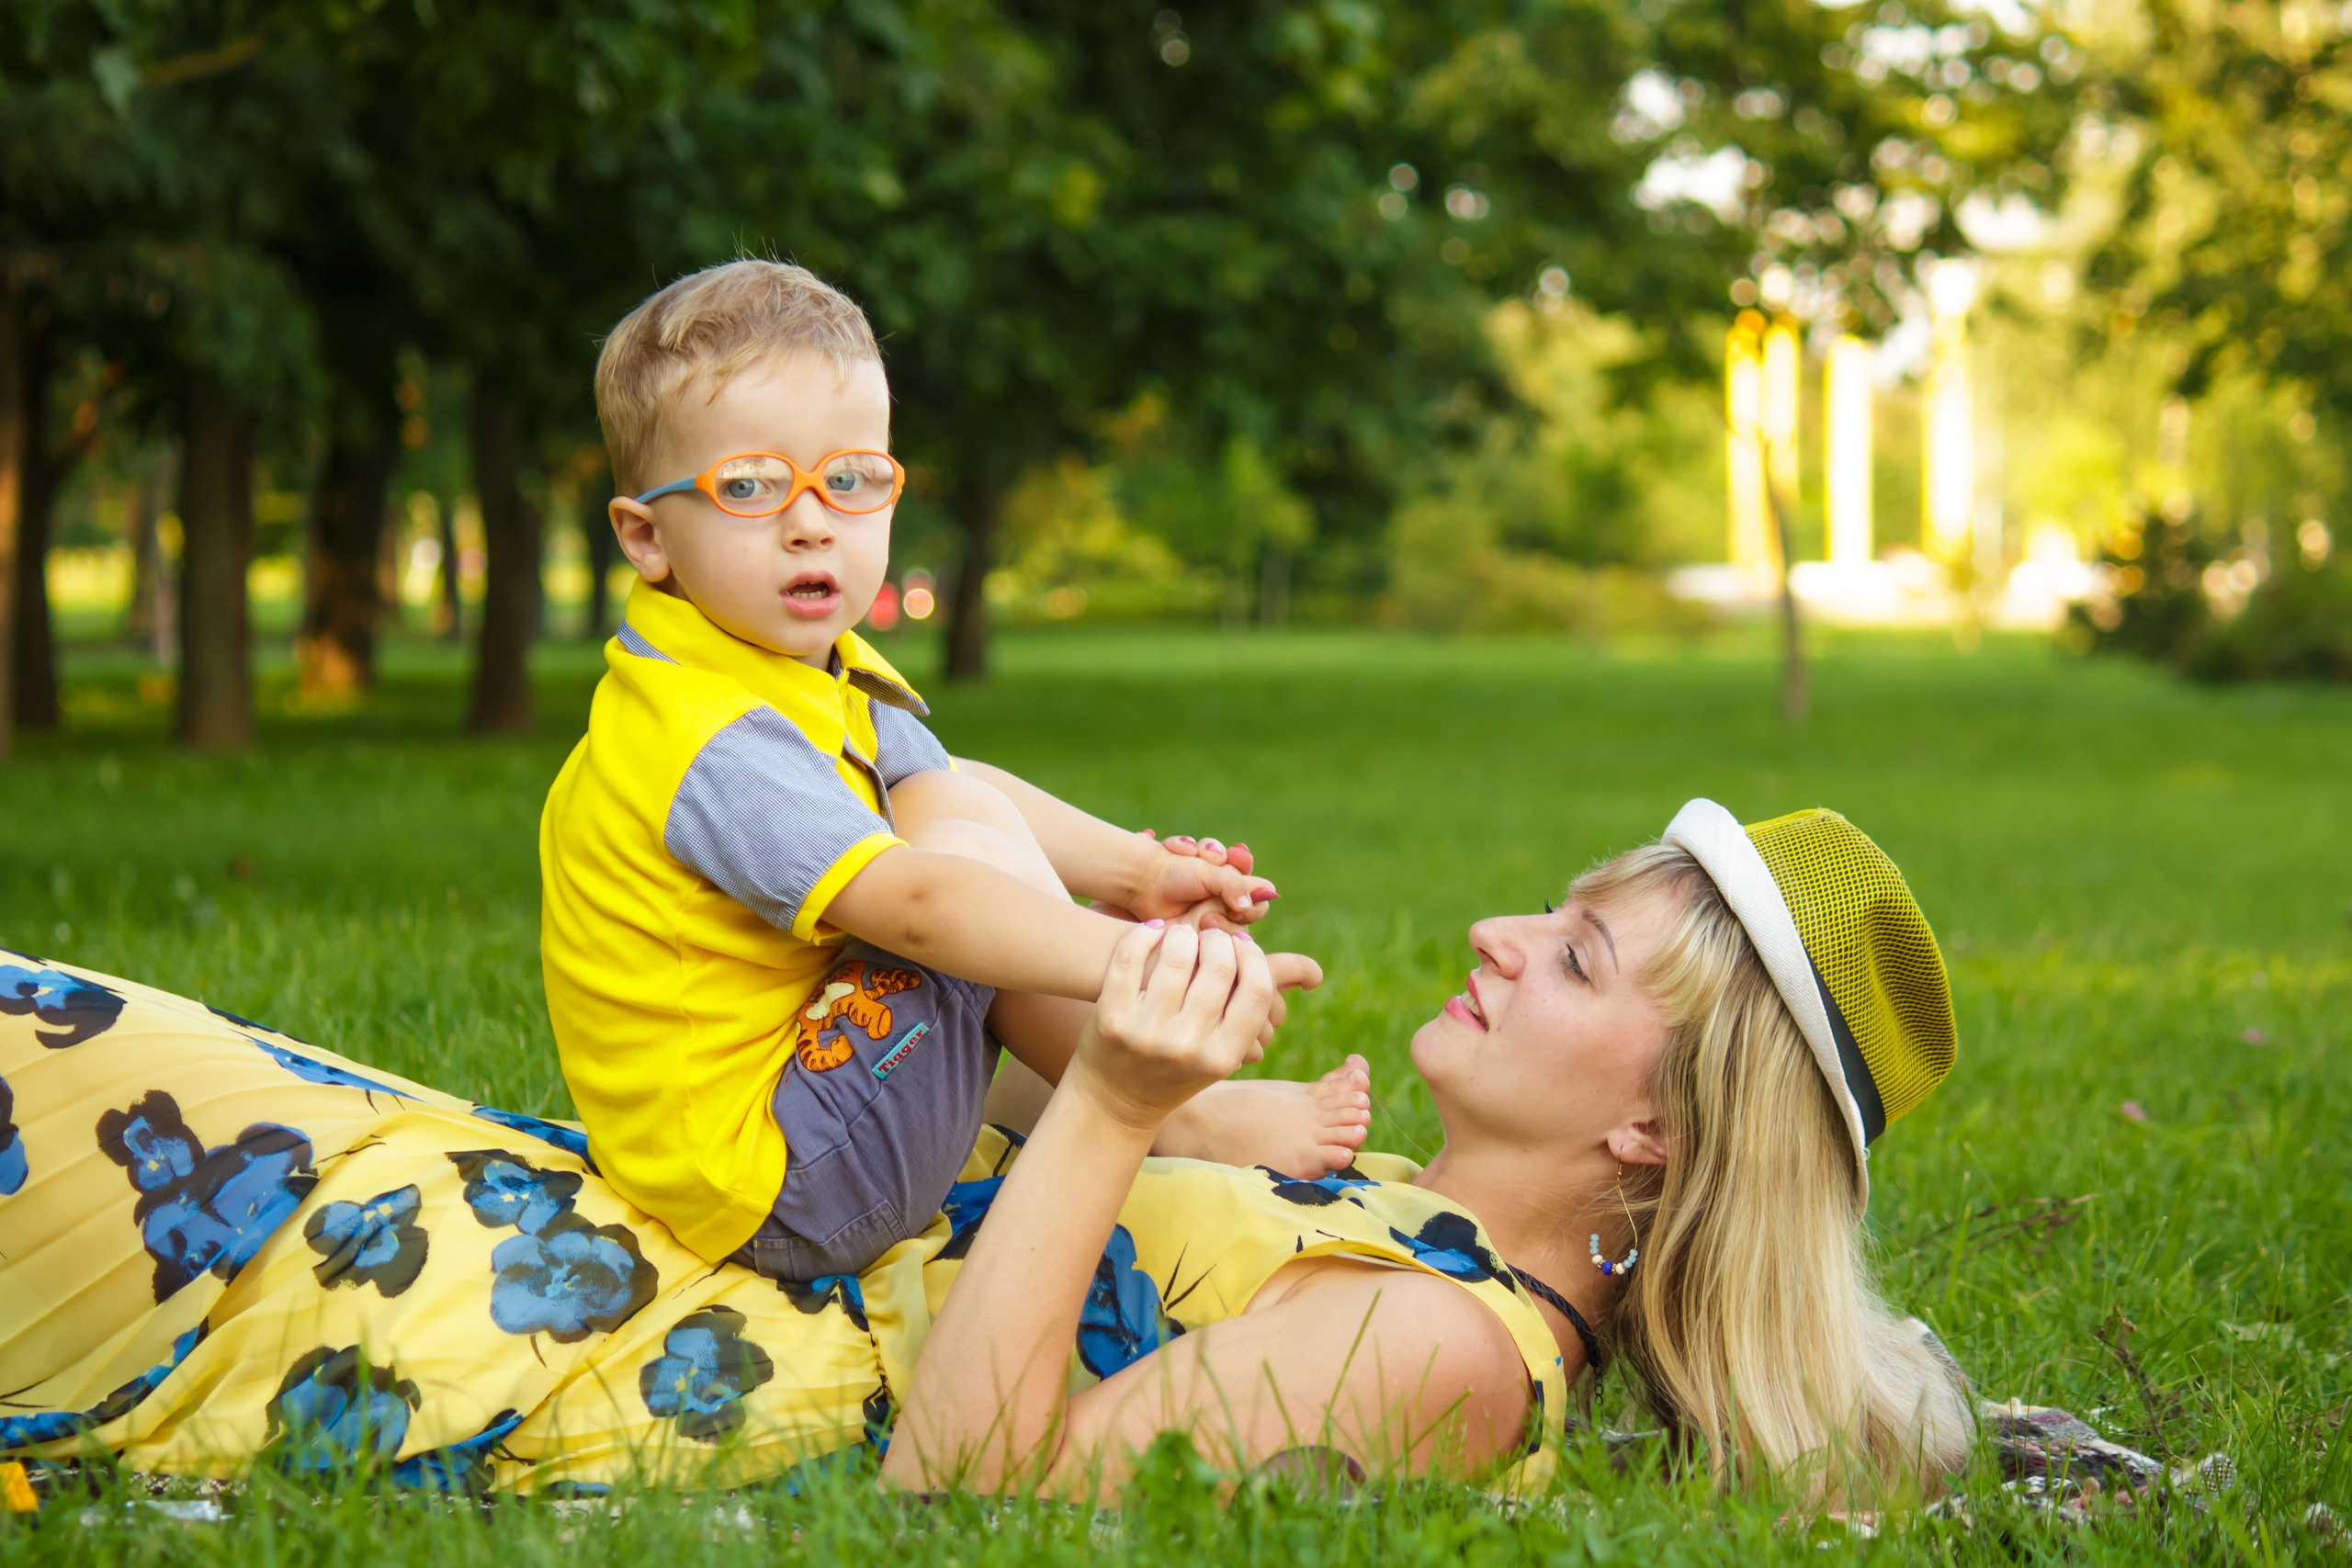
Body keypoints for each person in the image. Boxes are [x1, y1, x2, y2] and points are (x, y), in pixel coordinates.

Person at [0, 801, 1969, 1509]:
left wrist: (1115, 1104)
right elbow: (975, 1038)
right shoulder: (1387, 1211)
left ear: (1648, 1124)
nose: (1492, 939)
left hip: (551, 1324)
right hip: (574, 1221)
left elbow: (973, 1479)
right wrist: (1085, 924)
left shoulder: (1453, 1352)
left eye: (1571, 954)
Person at [544, 259, 1363, 1282]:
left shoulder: (789, 663)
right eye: (748, 486)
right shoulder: (706, 736)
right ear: (646, 536)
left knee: (961, 824)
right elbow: (924, 907)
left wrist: (1135, 875)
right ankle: (1180, 1120)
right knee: (962, 882)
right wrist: (1139, 968)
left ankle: (1085, 1108)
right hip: (783, 1190)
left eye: (849, 479)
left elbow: (945, 781)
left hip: (810, 1107)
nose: (811, 520)